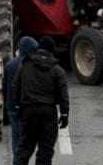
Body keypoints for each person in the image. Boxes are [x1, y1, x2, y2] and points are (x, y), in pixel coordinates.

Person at [10, 37, 69, 165]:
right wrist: (64, 114)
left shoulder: (25, 65)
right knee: (45, 151)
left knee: (24, 148)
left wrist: (16, 107)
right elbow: (63, 94)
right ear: (51, 51)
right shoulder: (57, 69)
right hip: (48, 112)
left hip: (28, 110)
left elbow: (15, 87)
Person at [3, 36, 39, 157]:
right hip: (28, 107)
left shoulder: (9, 65)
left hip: (13, 107)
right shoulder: (33, 65)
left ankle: (17, 160)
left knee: (16, 138)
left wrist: (8, 105)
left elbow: (5, 87)